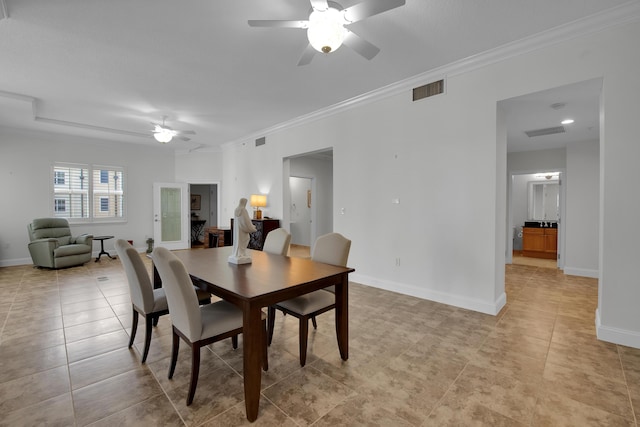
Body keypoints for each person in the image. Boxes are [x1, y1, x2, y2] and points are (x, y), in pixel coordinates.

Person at [229, 197, 257, 263]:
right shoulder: (243, 210)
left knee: (240, 240)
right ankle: (241, 253)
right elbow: (246, 221)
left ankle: (239, 253)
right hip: (243, 230)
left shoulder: (236, 209)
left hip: (238, 230)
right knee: (246, 238)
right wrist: (252, 227)